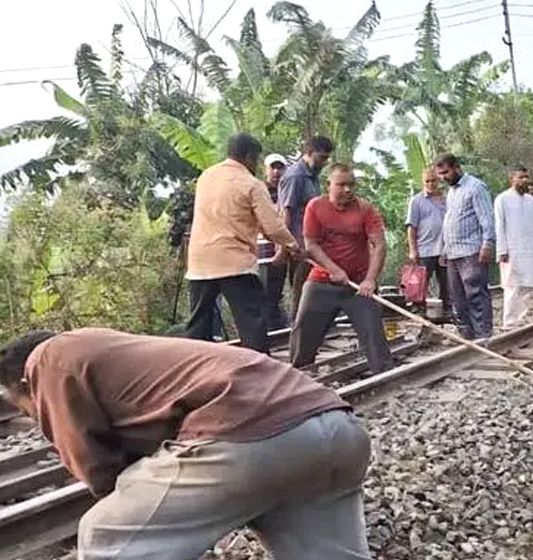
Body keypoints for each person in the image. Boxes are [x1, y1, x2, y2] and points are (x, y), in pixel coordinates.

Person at [0, 328, 371, 560]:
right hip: (338, 430)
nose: (36, 417)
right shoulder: (102, 346)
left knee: (104, 535)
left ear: (20, 384)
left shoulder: (47, 362)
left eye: (26, 410)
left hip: (250, 435)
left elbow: (95, 467)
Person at [185, 133, 302, 354]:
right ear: (249, 156)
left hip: (200, 264)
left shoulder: (206, 177)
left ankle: (194, 372)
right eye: (257, 159)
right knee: (252, 323)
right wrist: (293, 246)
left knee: (199, 325)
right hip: (234, 263)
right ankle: (261, 372)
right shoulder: (251, 184)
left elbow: (232, 215)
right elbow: (272, 226)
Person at [290, 164, 394, 375]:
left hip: (358, 286)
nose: (347, 190)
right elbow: (311, 244)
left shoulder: (365, 209)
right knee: (302, 329)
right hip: (321, 280)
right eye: (341, 185)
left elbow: (380, 245)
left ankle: (385, 377)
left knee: (373, 332)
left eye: (351, 185)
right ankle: (297, 375)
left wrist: (370, 280)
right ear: (329, 184)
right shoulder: (315, 207)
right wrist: (333, 269)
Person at [437, 153, 496, 341]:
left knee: (476, 295)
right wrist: (445, 249)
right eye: (439, 174)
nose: (442, 177)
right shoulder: (452, 192)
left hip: (472, 252)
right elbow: (450, 220)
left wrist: (487, 244)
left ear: (456, 167)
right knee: (458, 298)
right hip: (454, 253)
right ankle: (467, 338)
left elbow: (487, 218)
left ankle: (483, 336)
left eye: (445, 172)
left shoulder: (475, 188)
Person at [278, 136, 334, 322]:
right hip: (299, 243)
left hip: (312, 242)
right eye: (320, 157)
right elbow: (287, 212)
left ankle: (308, 326)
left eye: (326, 158)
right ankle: (298, 328)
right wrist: (287, 245)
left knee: (311, 288)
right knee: (301, 289)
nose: (323, 162)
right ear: (309, 153)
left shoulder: (313, 176)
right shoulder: (296, 176)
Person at [494, 165, 533, 329]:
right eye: (521, 177)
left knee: (527, 286)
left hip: (528, 250)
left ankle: (523, 323)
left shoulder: (530, 200)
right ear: (512, 179)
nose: (525, 180)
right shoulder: (502, 199)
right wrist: (501, 250)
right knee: (511, 287)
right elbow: (499, 226)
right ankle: (509, 323)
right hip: (511, 250)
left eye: (526, 177)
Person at [406, 167, 449, 314]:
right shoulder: (416, 201)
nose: (431, 184)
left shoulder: (446, 199)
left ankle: (445, 310)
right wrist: (413, 250)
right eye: (427, 181)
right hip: (425, 249)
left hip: (444, 250)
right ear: (423, 182)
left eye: (433, 181)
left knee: (446, 283)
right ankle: (419, 310)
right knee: (421, 283)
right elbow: (411, 227)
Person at [260, 153, 290, 331]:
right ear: (266, 170)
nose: (276, 171)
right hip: (259, 254)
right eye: (273, 167)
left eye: (280, 168)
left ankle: (273, 333)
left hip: (282, 252)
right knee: (261, 298)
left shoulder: (287, 192)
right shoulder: (259, 191)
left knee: (273, 297)